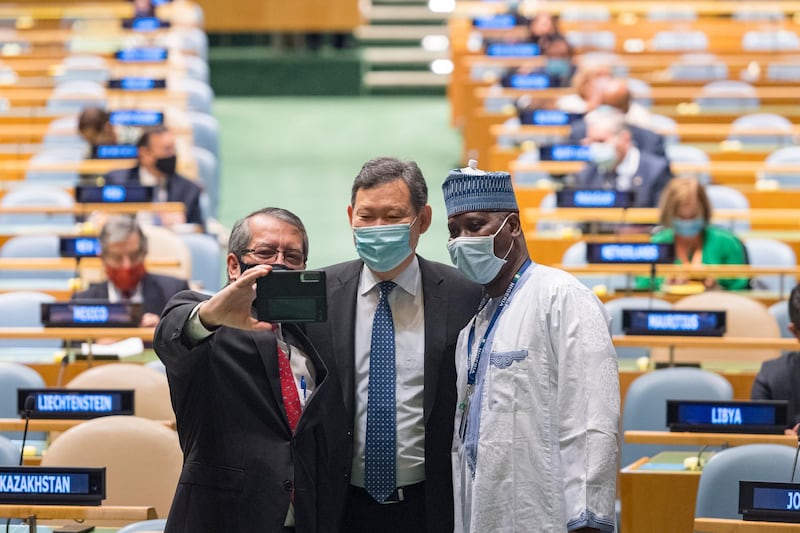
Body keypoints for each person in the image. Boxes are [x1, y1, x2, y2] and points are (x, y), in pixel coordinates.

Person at [304, 157, 482, 532]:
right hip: (339, 507)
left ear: (424, 219)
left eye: (393, 216)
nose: (377, 228)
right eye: (366, 217)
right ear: (350, 215)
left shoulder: (465, 296)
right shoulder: (318, 295)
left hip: (428, 505)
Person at [442, 164, 619, 532]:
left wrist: (587, 519)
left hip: (549, 517)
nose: (462, 240)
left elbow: (591, 420)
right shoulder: (474, 324)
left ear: (513, 226)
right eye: (453, 231)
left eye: (475, 226)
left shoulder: (562, 297)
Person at [153, 207, 350, 532]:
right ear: (233, 265)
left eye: (293, 256)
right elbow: (171, 339)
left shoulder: (314, 338)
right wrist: (210, 315)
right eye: (266, 252)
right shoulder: (207, 328)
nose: (280, 262)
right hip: (223, 519)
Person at [633, 177, 749, 291]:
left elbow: (740, 285)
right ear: (669, 214)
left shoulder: (727, 242)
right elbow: (642, 284)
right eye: (681, 217)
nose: (687, 222)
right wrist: (664, 282)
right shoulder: (656, 244)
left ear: (704, 211)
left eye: (693, 216)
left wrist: (716, 282)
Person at [73, 214, 189, 326]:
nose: (126, 266)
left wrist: (163, 335)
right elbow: (73, 344)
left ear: (144, 252)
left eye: (134, 256)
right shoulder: (83, 302)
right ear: (102, 257)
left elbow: (192, 341)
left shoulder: (175, 293)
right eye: (117, 258)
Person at [105, 126, 205, 228]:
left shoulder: (189, 189)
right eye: (167, 149)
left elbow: (199, 232)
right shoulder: (117, 182)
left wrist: (182, 225)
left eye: (173, 149)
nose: (172, 155)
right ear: (145, 153)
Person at [573, 106, 673, 208]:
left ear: (625, 138)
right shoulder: (587, 174)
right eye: (591, 141)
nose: (594, 147)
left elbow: (663, 217)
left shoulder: (657, 171)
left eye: (601, 141)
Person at [568, 78, 664, 157]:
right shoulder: (579, 133)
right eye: (606, 105)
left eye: (617, 106)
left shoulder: (650, 139)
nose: (611, 112)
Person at [752, 284, 800, 432]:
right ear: (793, 331)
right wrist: (781, 441)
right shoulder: (770, 377)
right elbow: (759, 434)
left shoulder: (769, 375)